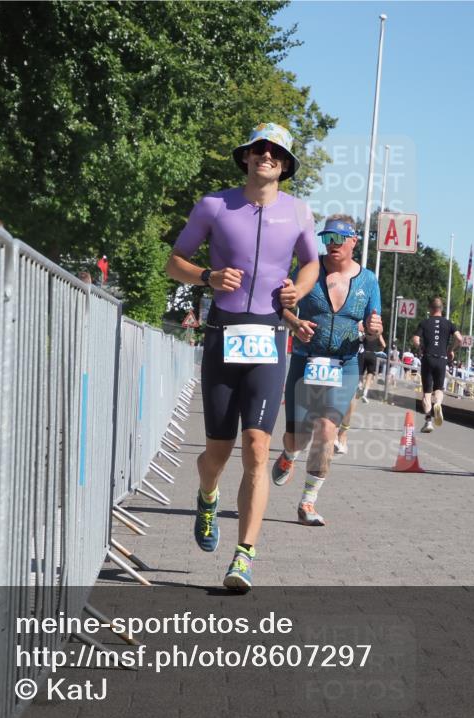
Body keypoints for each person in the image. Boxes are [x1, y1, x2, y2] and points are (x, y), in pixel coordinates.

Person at [165, 122, 320, 591]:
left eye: (275, 152)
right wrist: (206, 277)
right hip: (222, 335)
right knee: (216, 452)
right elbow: (174, 261)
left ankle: (244, 555)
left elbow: (311, 263)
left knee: (256, 445)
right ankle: (207, 495)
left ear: (285, 164)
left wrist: (299, 290)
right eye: (258, 149)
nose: (266, 156)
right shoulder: (215, 205)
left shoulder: (298, 212)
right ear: (247, 157)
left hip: (268, 339)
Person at [270, 216, 382, 526]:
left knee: (326, 428)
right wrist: (295, 323)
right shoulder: (309, 270)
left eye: (339, 238)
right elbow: (282, 305)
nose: (332, 244)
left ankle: (308, 501)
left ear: (353, 241)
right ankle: (289, 455)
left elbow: (374, 334)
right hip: (305, 360)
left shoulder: (368, 280)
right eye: (327, 238)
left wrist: (374, 330)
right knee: (298, 436)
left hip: (345, 364)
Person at [412, 297, 462, 433]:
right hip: (442, 359)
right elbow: (459, 338)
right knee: (439, 389)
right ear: (442, 309)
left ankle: (428, 421)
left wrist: (421, 347)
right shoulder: (449, 323)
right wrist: (451, 350)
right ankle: (438, 404)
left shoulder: (424, 322)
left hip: (428, 358)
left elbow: (415, 339)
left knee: (427, 393)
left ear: (430, 308)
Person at [334, 323, 385, 455]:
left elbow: (378, 332)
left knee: (351, 397)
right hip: (332, 354)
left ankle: (342, 433)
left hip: (355, 358)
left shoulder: (366, 317)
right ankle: (330, 430)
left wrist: (372, 330)